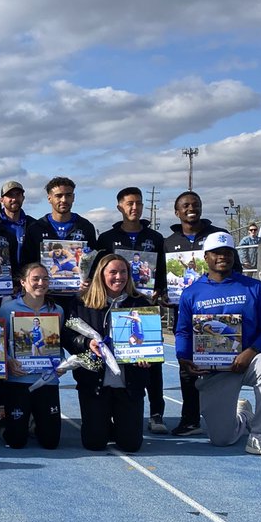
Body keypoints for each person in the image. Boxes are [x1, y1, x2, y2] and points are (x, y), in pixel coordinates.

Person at [175, 232, 261, 459]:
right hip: (214, 369)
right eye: (216, 253)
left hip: (250, 360)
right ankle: (243, 415)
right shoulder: (191, 293)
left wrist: (251, 351)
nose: (222, 257)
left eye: (227, 252)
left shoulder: (254, 288)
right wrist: (183, 357)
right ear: (206, 257)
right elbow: (184, 331)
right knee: (222, 439)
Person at [95, 186, 169, 434]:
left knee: (151, 360)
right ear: (120, 207)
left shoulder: (155, 238)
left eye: (138, 203)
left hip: (144, 304)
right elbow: (99, 270)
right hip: (114, 304)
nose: (134, 207)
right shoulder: (107, 238)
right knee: (115, 356)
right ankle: (110, 410)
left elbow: (162, 272)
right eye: (129, 203)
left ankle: (156, 412)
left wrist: (159, 290)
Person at [62, 253, 148, 453]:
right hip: (95, 383)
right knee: (94, 443)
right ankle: (102, 424)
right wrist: (86, 342)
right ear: (101, 274)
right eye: (113, 272)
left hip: (129, 383)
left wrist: (148, 359)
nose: (119, 277)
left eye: (123, 272)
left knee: (130, 445)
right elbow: (67, 337)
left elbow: (152, 341)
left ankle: (120, 424)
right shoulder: (81, 302)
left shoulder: (141, 303)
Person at [162, 191, 231, 437]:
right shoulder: (169, 242)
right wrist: (163, 295)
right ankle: (190, 419)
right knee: (187, 368)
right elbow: (162, 280)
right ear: (177, 211)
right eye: (186, 205)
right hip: (185, 316)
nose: (191, 208)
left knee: (221, 368)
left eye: (196, 204)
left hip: (217, 314)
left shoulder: (218, 235)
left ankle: (225, 416)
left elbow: (234, 270)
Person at [0, 263, 64, 450]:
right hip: (19, 379)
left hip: (46, 380)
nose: (41, 283)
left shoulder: (57, 310)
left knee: (51, 442)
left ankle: (36, 422)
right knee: (16, 441)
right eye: (35, 279)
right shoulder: (7, 309)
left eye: (45, 279)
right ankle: (2, 418)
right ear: (23, 282)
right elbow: (1, 343)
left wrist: (61, 363)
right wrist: (9, 361)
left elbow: (58, 344)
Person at [18, 177, 99, 289]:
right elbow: (27, 263)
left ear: (73, 197)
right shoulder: (36, 228)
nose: (64, 200)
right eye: (59, 196)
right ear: (49, 198)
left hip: (78, 293)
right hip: (45, 293)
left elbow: (94, 261)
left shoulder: (85, 226)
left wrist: (89, 278)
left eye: (68, 195)